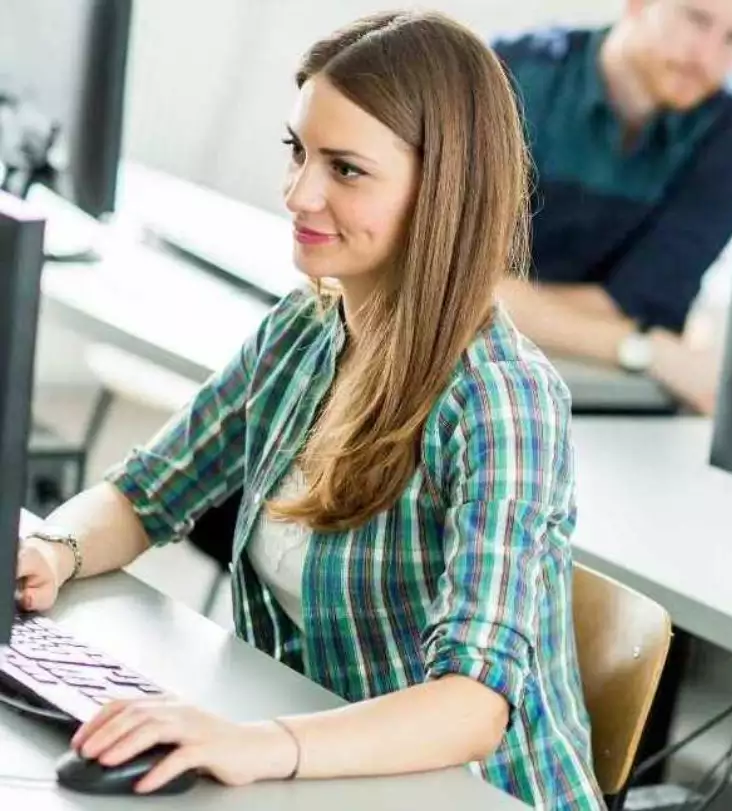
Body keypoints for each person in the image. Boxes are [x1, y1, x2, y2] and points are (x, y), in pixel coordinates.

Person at [13, 12, 603, 809]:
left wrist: (254, 743)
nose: (300, 193)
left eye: (346, 169)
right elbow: (147, 493)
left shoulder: (502, 402)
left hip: (463, 793)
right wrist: (53, 551)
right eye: (298, 151)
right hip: (325, 772)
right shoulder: (303, 330)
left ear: (443, 192)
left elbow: (473, 705)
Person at [492, 0, 732, 413]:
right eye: (696, 20)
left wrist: (503, 301)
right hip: (475, 375)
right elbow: (437, 288)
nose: (707, 59)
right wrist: (643, 347)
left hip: (611, 389)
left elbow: (638, 303)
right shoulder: (506, 76)